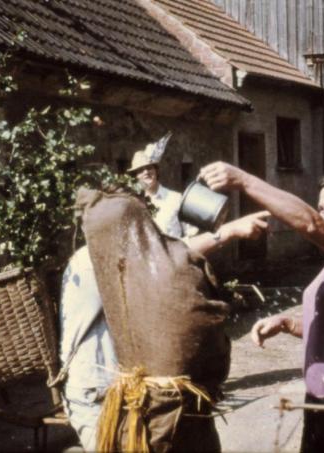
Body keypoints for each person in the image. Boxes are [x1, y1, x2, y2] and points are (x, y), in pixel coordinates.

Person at [198, 162, 324, 453]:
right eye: (321, 209)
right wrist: (288, 323)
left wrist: (244, 180)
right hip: (322, 400)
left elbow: (310, 225)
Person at [59, 182, 270, 451]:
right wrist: (225, 234)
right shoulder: (90, 262)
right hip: (95, 391)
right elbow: (167, 257)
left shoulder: (114, 257)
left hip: (120, 384)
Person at [127, 134, 198, 239]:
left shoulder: (175, 198)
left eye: (149, 167)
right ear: (136, 176)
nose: (146, 172)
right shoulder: (134, 203)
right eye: (141, 170)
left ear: (156, 170)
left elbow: (192, 233)